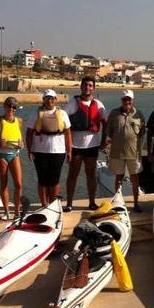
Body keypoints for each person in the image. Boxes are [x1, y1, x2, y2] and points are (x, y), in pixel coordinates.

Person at [64, 76, 107, 211]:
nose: (87, 87)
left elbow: (106, 124)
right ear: (81, 86)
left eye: (90, 85)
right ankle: (69, 203)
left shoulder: (99, 105)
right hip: (76, 146)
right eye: (85, 85)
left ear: (93, 88)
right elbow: (63, 123)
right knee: (73, 174)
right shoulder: (72, 104)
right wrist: (67, 146)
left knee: (91, 174)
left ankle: (92, 202)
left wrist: (104, 140)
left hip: (92, 146)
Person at [26, 89, 72, 206]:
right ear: (43, 100)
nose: (49, 101)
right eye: (47, 98)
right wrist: (29, 150)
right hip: (40, 151)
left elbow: (68, 133)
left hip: (58, 151)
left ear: (56, 100)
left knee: (54, 179)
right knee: (42, 179)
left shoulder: (62, 114)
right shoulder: (35, 113)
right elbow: (29, 133)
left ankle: (53, 204)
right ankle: (44, 204)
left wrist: (69, 151)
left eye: (52, 98)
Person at [105, 89, 146, 212]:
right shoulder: (114, 113)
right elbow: (108, 132)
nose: (127, 101)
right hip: (117, 152)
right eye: (125, 99)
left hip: (134, 153)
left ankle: (136, 203)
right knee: (119, 177)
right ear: (121, 100)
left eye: (129, 99)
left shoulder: (139, 114)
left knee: (135, 178)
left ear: (132, 100)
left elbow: (143, 133)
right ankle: (118, 202)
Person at [0, 97, 23, 220]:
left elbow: (20, 139)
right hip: (0, 155)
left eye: (14, 107)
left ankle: (17, 212)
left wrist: (21, 144)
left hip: (14, 154)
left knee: (18, 184)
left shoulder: (19, 121)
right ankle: (6, 212)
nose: (11, 109)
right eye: (9, 106)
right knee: (4, 183)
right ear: (4, 106)